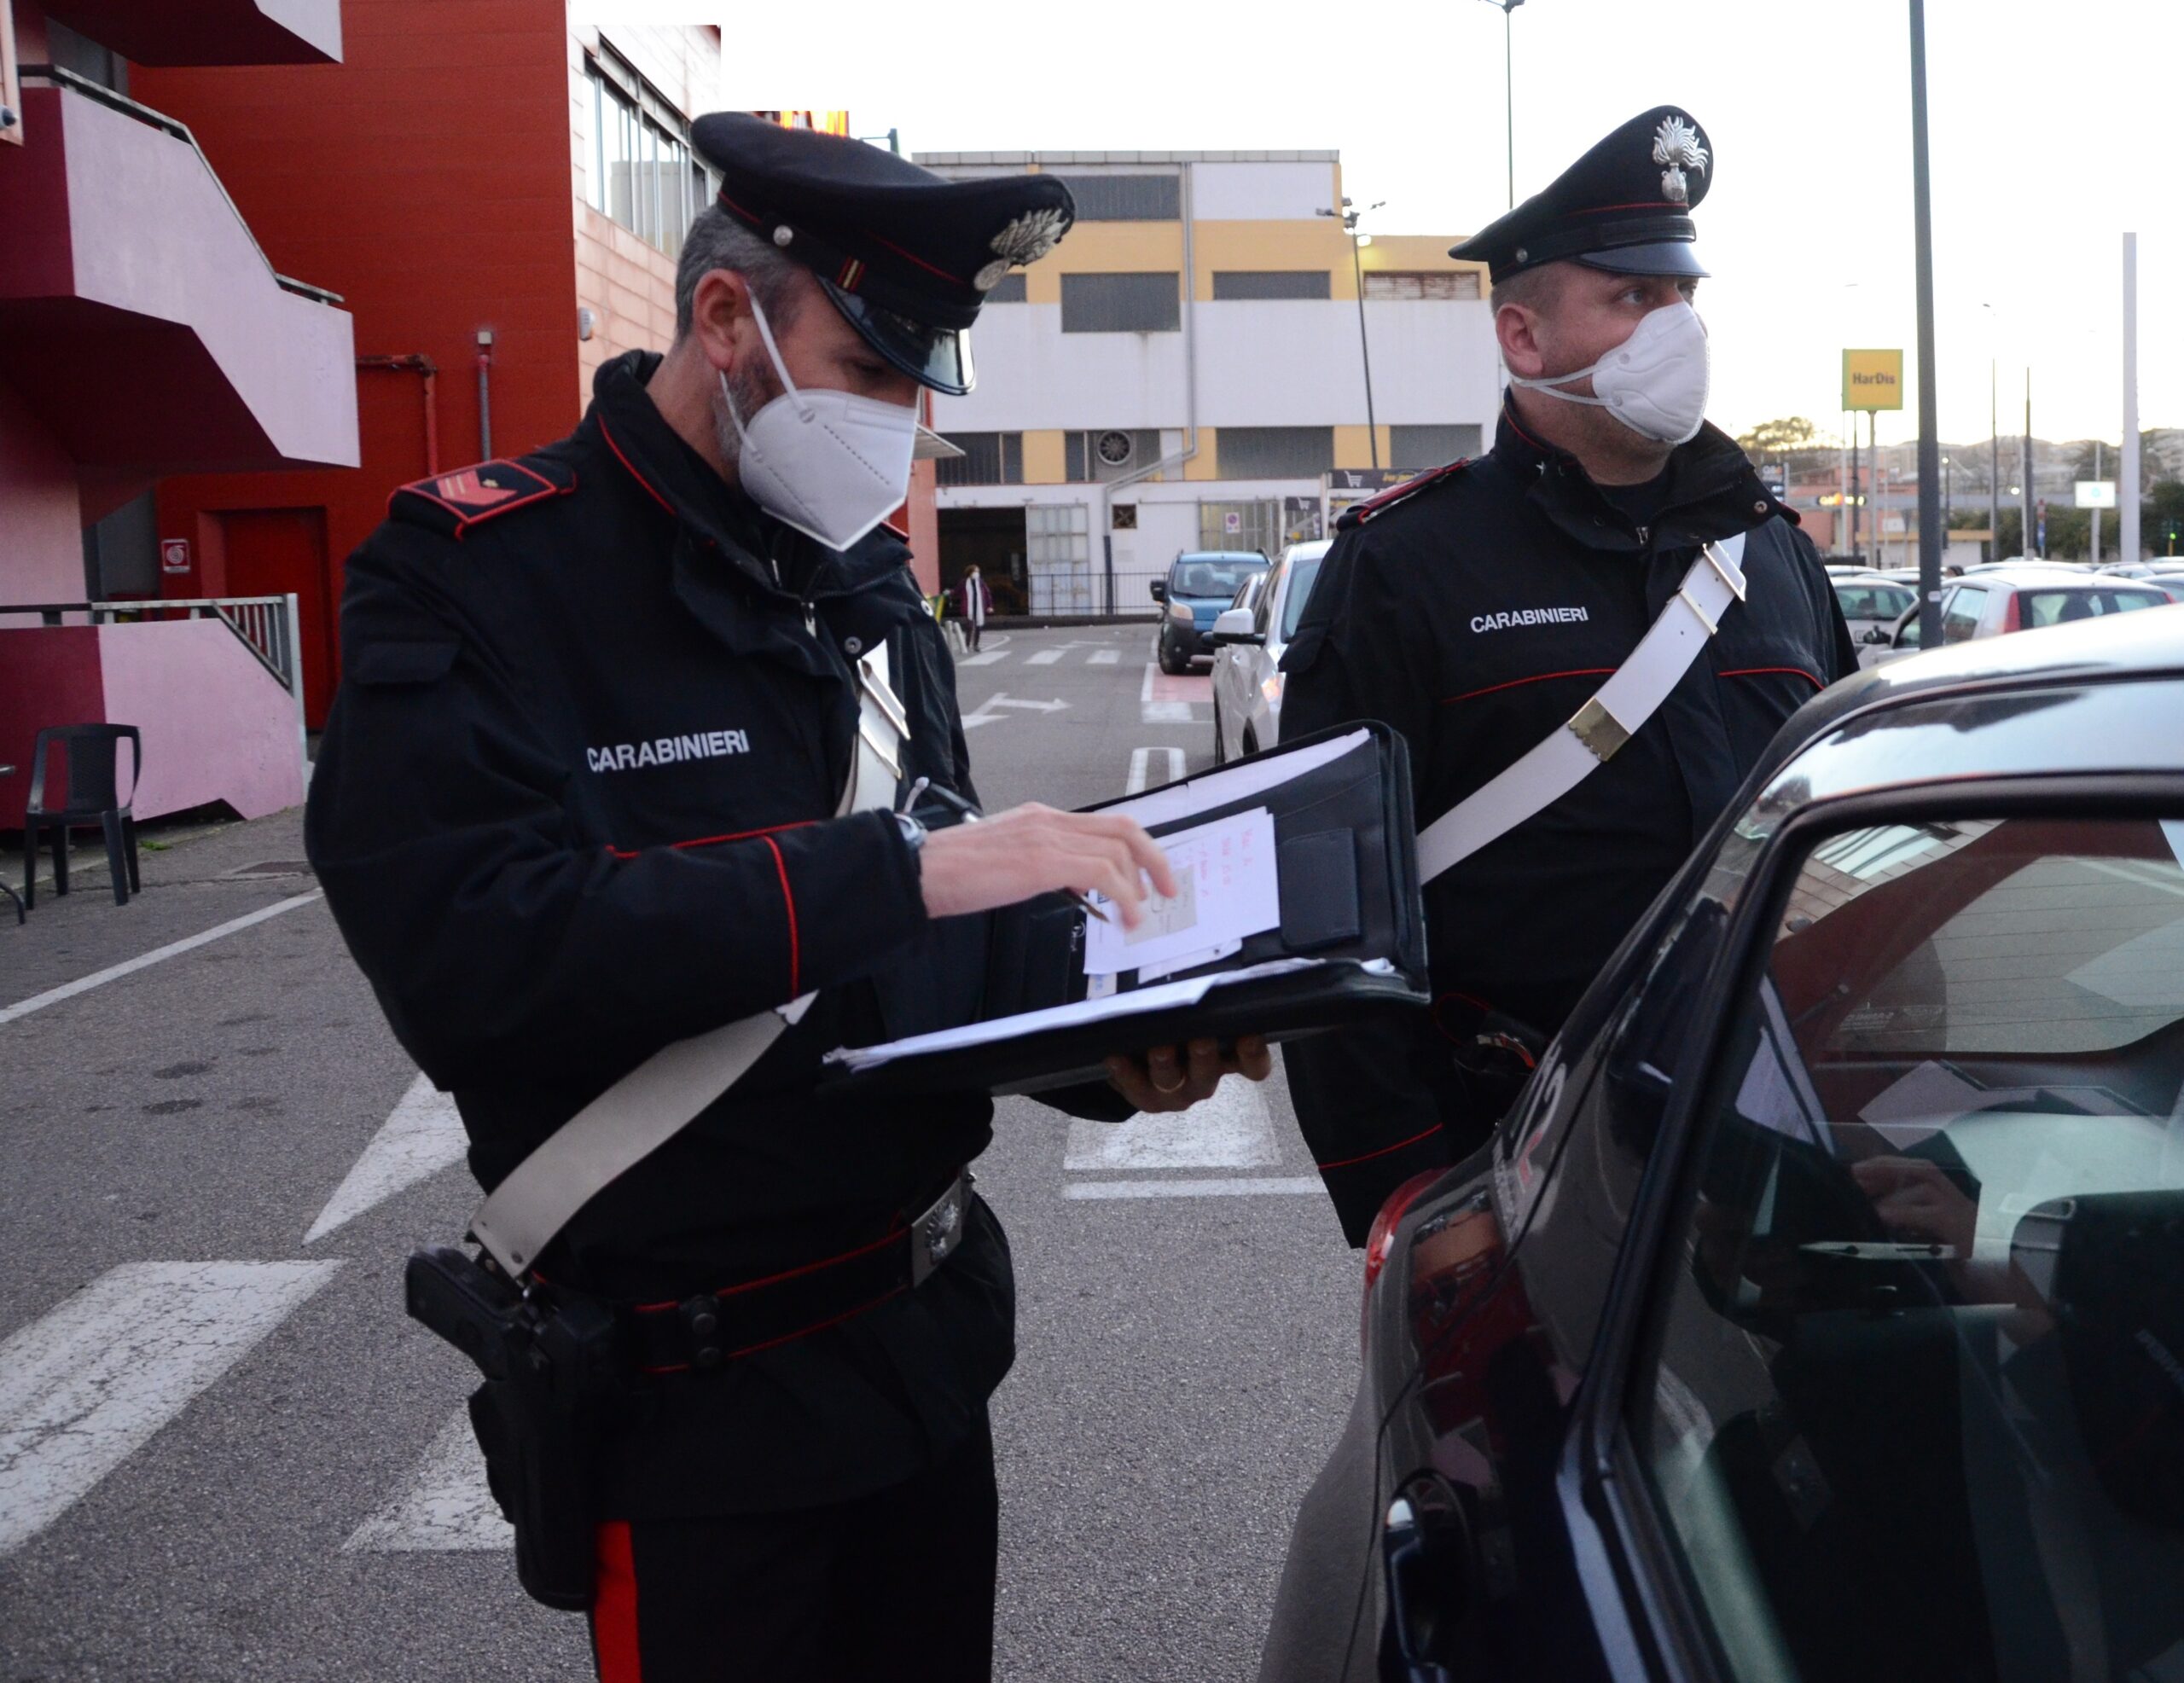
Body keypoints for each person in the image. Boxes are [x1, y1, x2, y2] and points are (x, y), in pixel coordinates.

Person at [305, 113, 1269, 1680]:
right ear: (724, 319)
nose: (898, 425)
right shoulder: (476, 577)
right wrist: (888, 868)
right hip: (695, 1413)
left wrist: (1119, 1034)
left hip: (918, 1357)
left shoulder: (866, 587)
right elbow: (476, 950)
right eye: (870, 369)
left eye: (917, 385)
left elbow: (933, 949)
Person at [1279, 107, 1857, 1244]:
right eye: (1632, 299)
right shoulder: (1405, 569)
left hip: (1771, 1160)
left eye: (1683, 296)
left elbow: (1836, 840)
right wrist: (1412, 1202)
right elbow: (1326, 918)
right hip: (1519, 1175)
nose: (1675, 329)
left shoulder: (1776, 556)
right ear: (1524, 338)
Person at [956, 563, 992, 650]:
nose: (977, 573)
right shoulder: (964, 582)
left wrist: (989, 606)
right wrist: (948, 593)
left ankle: (976, 645)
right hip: (969, 607)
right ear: (970, 572)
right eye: (975, 571)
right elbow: (956, 591)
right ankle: (967, 644)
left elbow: (987, 594)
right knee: (969, 626)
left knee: (978, 626)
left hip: (979, 606)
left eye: (978, 571)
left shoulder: (981, 582)